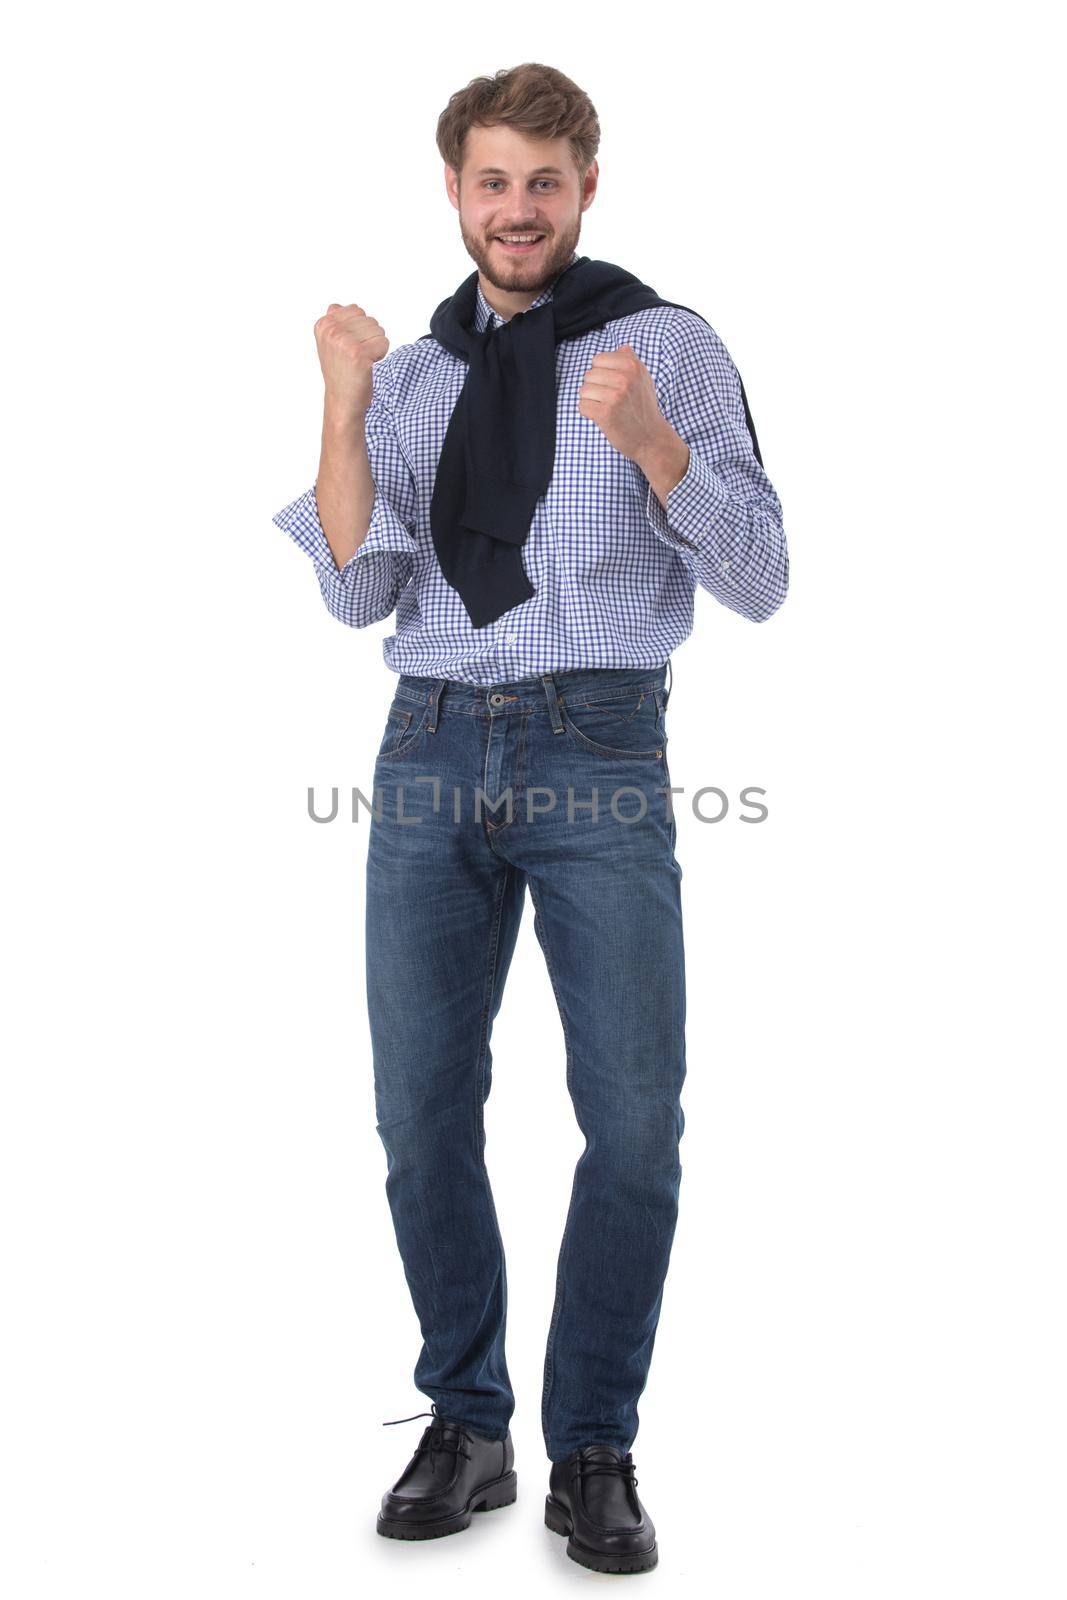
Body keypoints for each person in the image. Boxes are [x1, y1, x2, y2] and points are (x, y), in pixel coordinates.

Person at [272, 61, 787, 1575]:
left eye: (544, 183)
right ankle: (469, 1424)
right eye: (491, 183)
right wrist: (345, 404)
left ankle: (597, 1447)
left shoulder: (665, 347)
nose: (517, 211)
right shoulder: (418, 373)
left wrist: (655, 453)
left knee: (632, 1118)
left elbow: (761, 580)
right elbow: (361, 590)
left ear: (587, 188)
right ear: (456, 191)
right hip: (429, 746)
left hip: (600, 743)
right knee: (420, 1114)